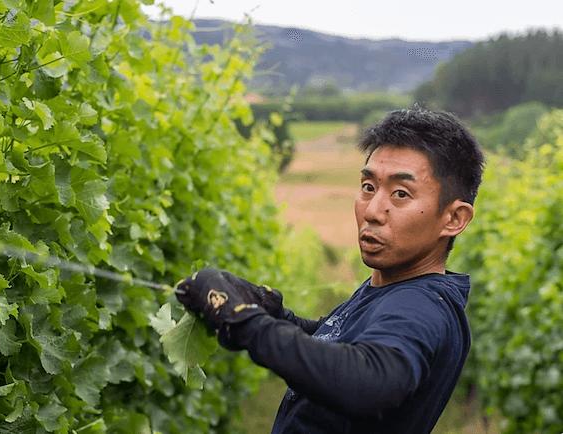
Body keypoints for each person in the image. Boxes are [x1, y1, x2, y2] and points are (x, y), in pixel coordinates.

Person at [175, 107, 485, 433]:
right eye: (368, 186)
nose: (374, 210)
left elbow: (368, 382)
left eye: (400, 193)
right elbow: (343, 344)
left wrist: (243, 321)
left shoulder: (419, 307)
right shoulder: (392, 288)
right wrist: (275, 314)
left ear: (454, 219)